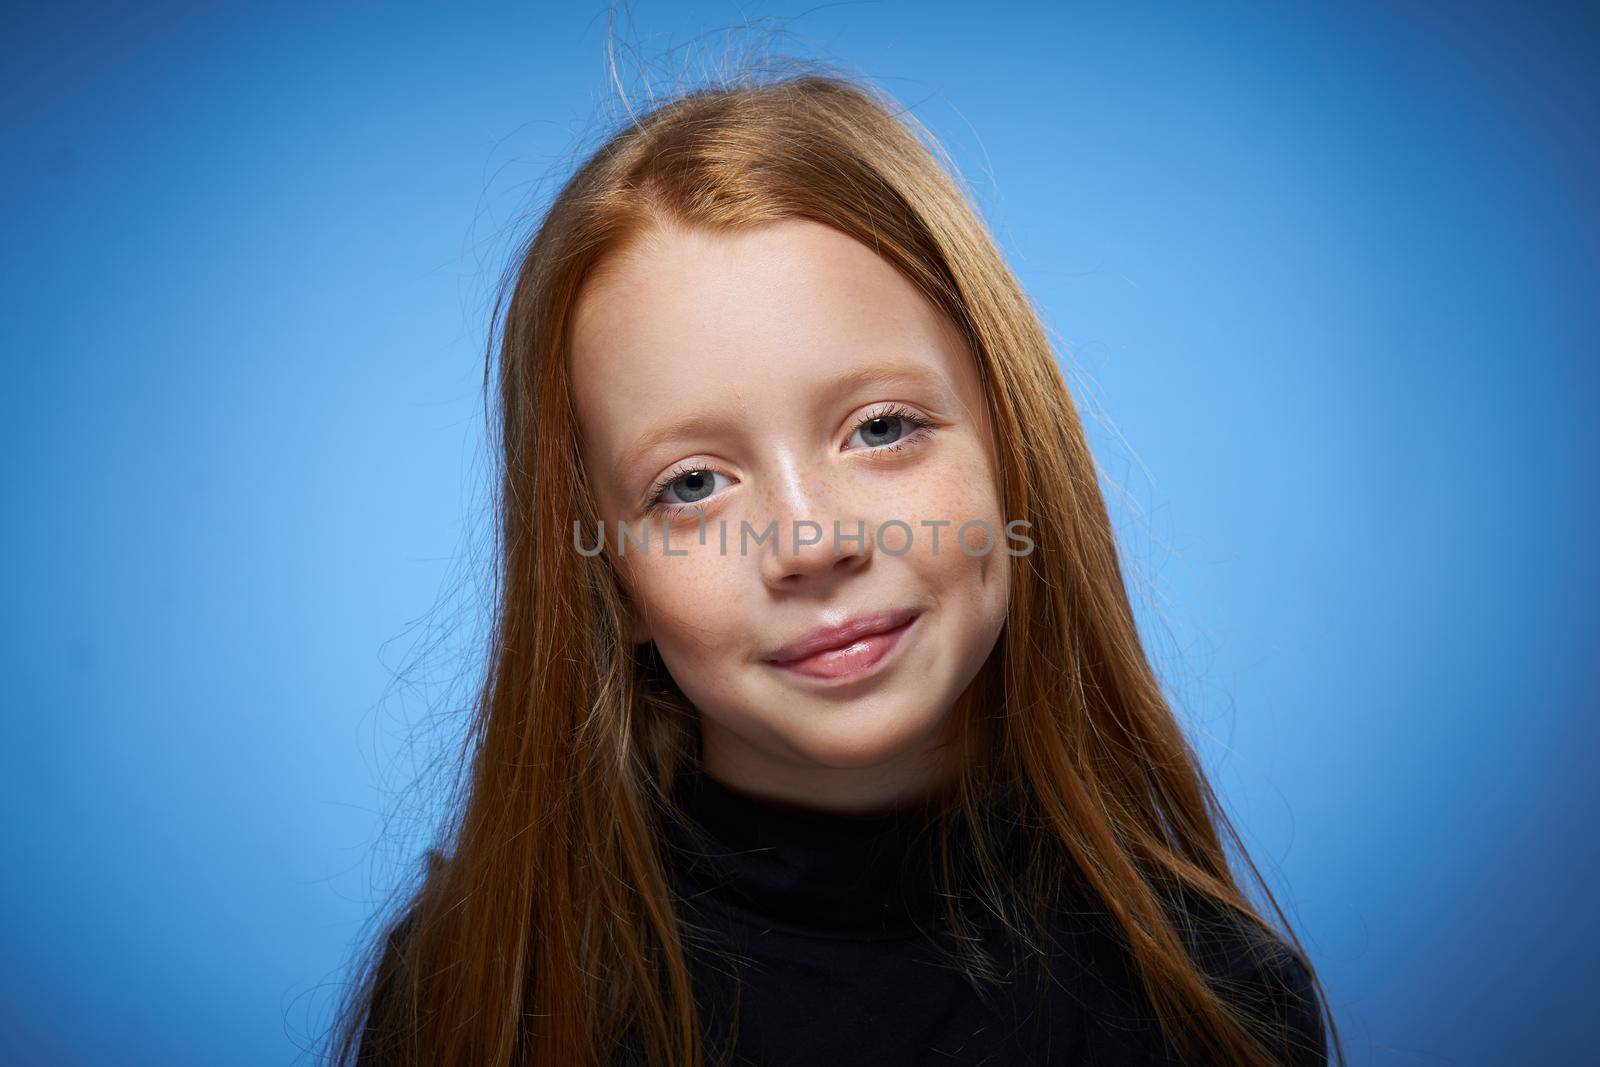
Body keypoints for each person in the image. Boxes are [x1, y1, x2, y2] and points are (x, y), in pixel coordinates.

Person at [325, 63, 1341, 1067]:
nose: (811, 543)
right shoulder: (480, 999)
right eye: (690, 485)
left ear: (1014, 449)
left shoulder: (1214, 1001)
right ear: (609, 581)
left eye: (882, 426)